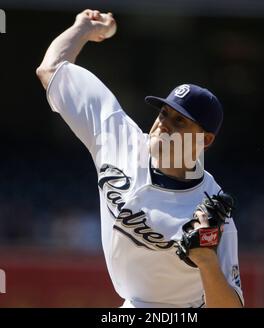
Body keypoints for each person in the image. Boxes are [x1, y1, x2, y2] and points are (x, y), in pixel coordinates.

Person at [36, 9, 244, 308]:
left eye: (180, 121)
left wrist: (207, 262)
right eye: (164, 113)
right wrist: (82, 29)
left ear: (205, 140)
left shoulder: (210, 208)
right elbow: (50, 69)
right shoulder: (118, 137)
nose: (164, 124)